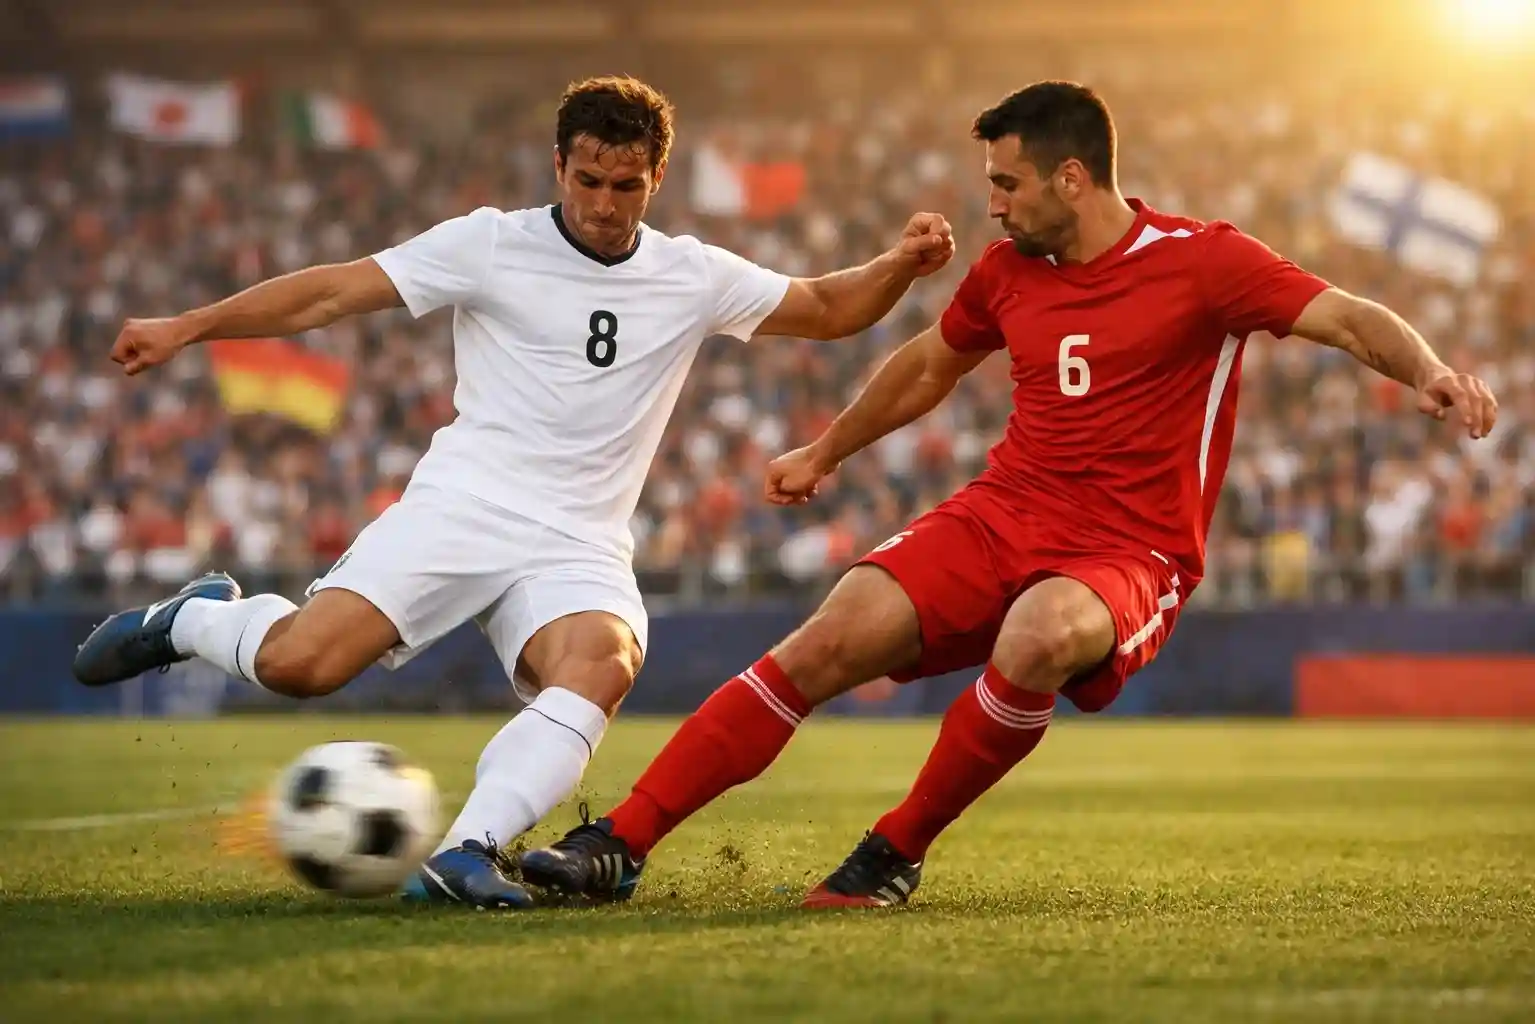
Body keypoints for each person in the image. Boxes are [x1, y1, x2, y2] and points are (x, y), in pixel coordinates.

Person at [518, 80, 1499, 908]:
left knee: (1038, 634)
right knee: (827, 638)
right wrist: (827, 449)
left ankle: (895, 849)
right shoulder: (1007, 271)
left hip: (1132, 549)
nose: (992, 205)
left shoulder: (1204, 261)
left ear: (1071, 178)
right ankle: (619, 842)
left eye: (1006, 183)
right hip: (1001, 514)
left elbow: (1347, 316)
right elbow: (928, 366)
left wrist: (1429, 371)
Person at [71, 75, 955, 909]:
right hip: (464, 506)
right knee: (302, 666)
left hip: (580, 541)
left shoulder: (691, 273)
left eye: (626, 186)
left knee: (602, 663)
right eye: (588, 180)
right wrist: (190, 326)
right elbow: (331, 294)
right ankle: (192, 620)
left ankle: (469, 850)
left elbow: (827, 307)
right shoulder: (490, 243)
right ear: (558, 165)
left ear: (657, 179)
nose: (604, 204)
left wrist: (900, 263)